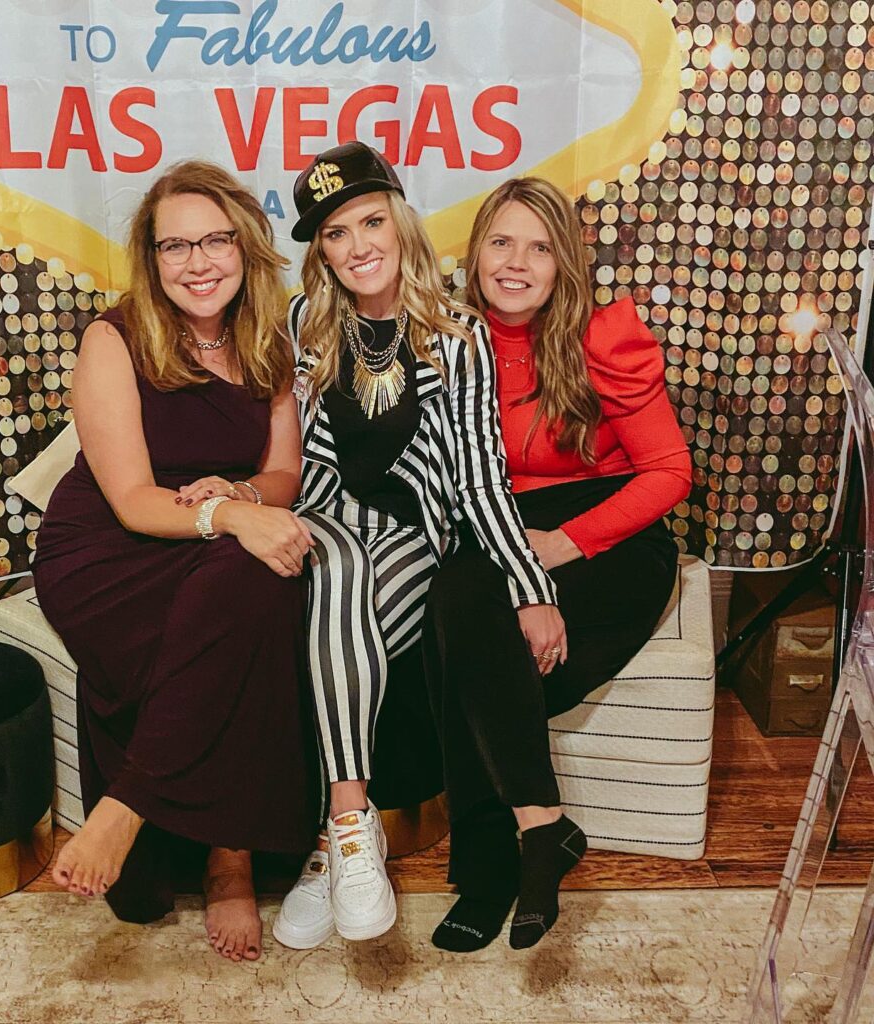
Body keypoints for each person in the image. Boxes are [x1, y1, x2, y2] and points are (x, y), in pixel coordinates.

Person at [270, 141, 567, 952]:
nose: (358, 245)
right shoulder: (304, 321)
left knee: (341, 611)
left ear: (400, 223)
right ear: (322, 252)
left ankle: (329, 845)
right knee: (336, 570)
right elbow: (289, 451)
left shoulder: (457, 336)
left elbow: (479, 477)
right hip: (326, 522)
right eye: (335, 233)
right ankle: (350, 827)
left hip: (409, 541)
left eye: (371, 222)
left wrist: (529, 585)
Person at [31, 160, 318, 963]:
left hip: (204, 542)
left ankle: (145, 816)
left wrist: (244, 494)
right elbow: (130, 499)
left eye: (216, 241)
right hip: (107, 552)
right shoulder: (114, 339)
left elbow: (284, 472)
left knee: (256, 581)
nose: (198, 262)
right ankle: (220, 848)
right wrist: (231, 515)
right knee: (250, 580)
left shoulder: (267, 341)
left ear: (245, 247)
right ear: (152, 258)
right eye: (175, 246)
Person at [422, 176, 693, 952]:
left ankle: (490, 868)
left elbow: (669, 472)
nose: (517, 263)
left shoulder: (601, 339)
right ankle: (538, 832)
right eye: (501, 243)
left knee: (466, 630)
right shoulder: (443, 342)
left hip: (610, 537)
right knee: (455, 602)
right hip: (500, 527)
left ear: (564, 265)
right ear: (475, 255)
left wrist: (562, 545)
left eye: (539, 248)